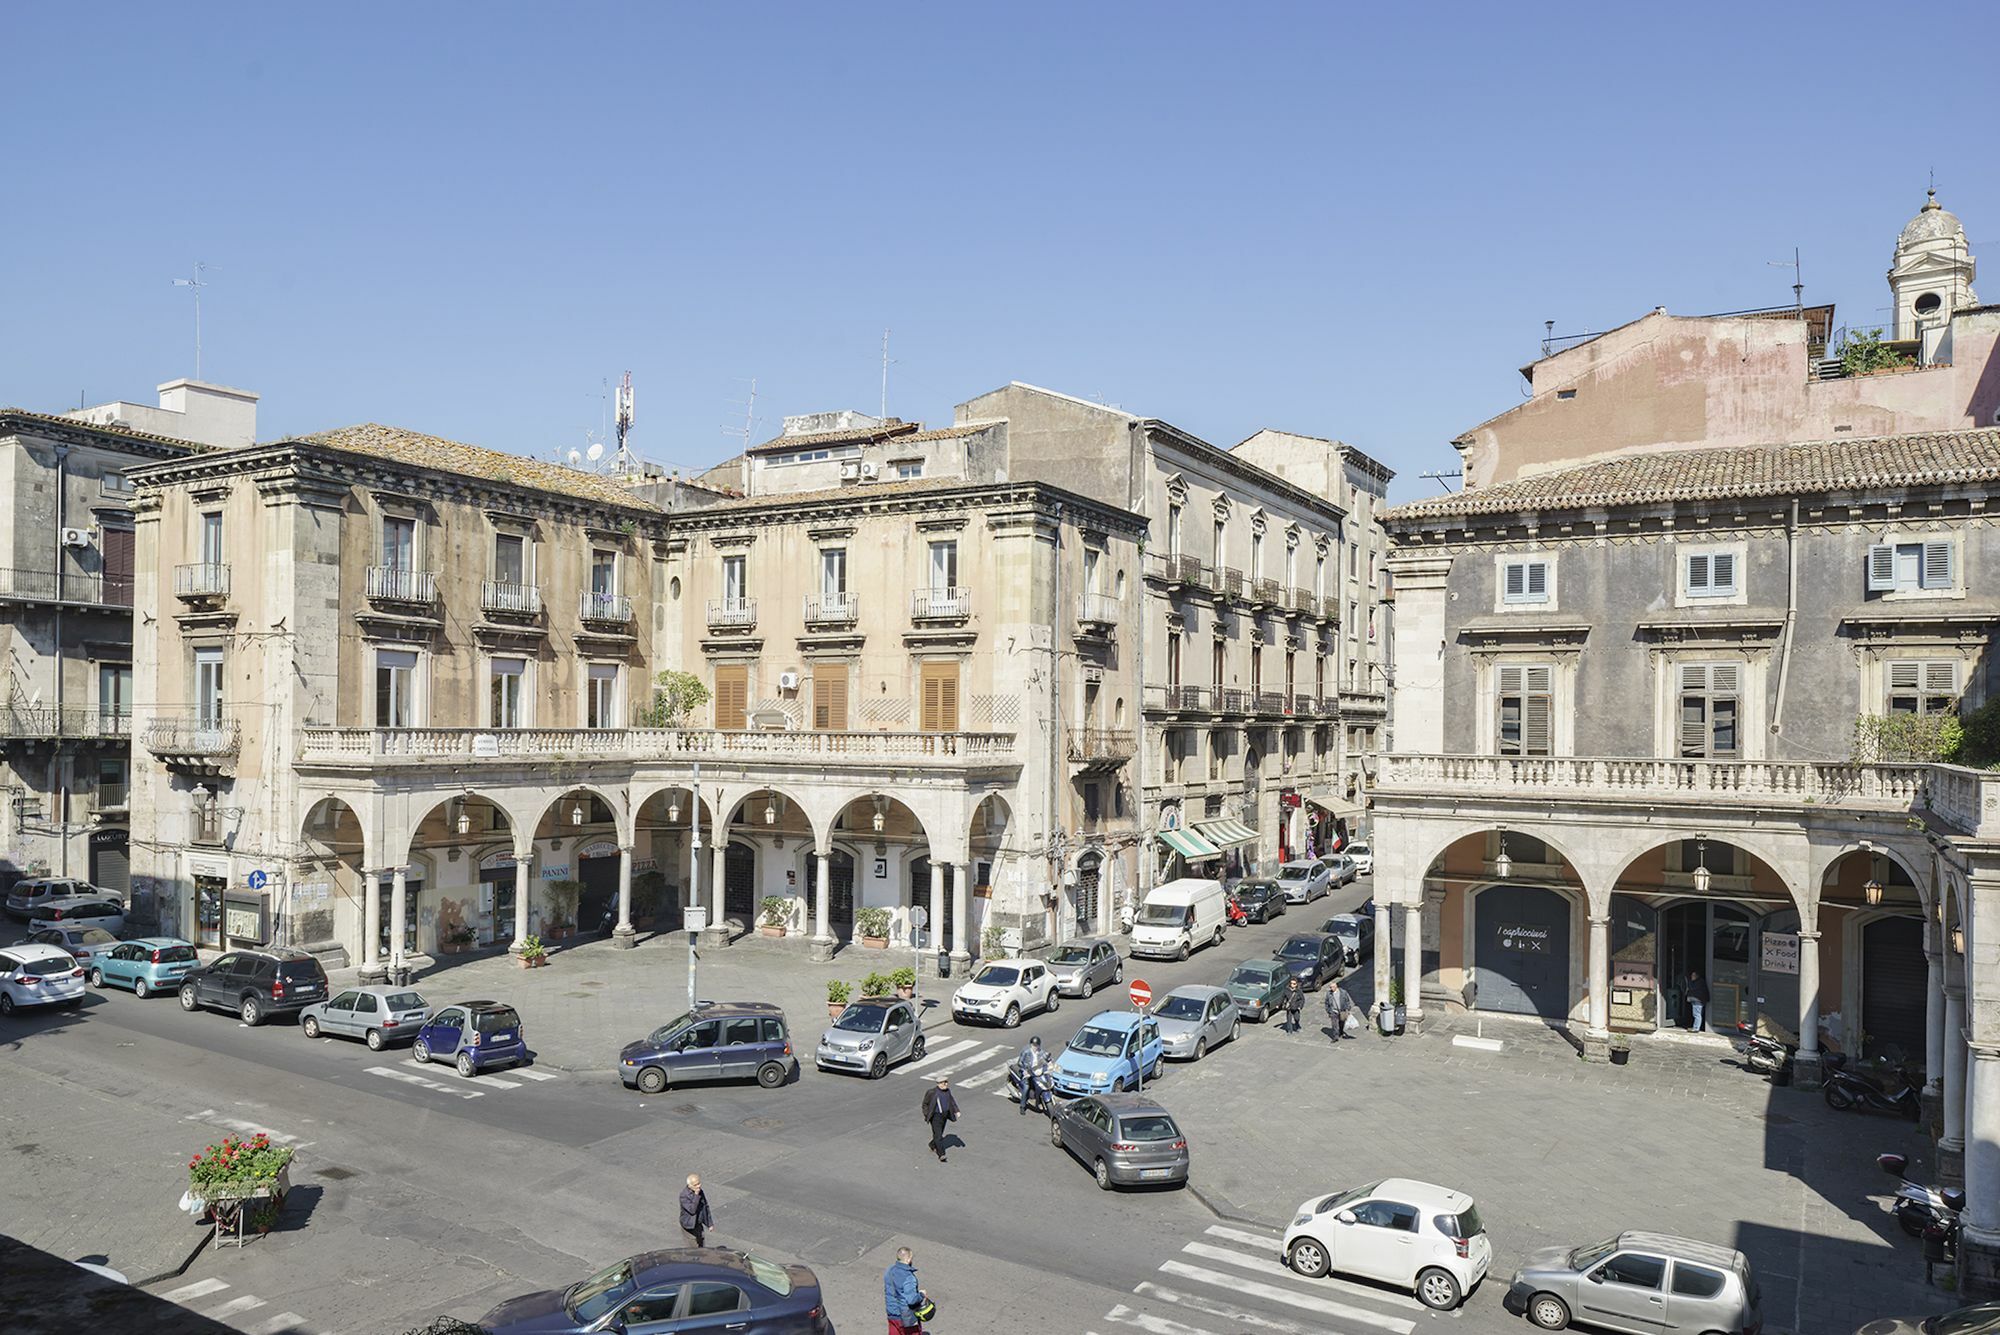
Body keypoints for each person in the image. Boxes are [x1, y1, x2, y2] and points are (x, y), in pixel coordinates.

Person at [884, 1246, 925, 1335]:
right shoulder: (909, 1277)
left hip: (892, 1313)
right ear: (909, 1259)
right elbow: (912, 1300)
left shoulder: (889, 1270)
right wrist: (921, 1295)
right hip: (906, 1317)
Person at [921, 1076, 959, 1161]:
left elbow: (952, 1101)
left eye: (946, 1082)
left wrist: (957, 1110)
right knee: (938, 1136)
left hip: (944, 1116)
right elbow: (925, 1104)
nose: (944, 1084)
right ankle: (941, 1154)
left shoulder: (947, 1091)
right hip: (935, 1116)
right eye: (942, 1082)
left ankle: (932, 1144)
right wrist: (927, 1115)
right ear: (938, 1084)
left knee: (939, 1133)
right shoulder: (932, 1092)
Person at [678, 1173, 713, 1248]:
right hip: (689, 1225)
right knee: (693, 1249)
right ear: (689, 1186)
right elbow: (692, 1210)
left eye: (699, 1183)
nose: (698, 1186)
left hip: (698, 1224)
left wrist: (709, 1223)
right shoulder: (684, 1195)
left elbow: (705, 1207)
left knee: (701, 1244)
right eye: (695, 1185)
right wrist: (696, 1195)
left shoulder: (700, 1192)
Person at [1016, 1035, 1048, 1115]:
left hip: (1037, 1072)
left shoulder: (1041, 1051)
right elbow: (1019, 1062)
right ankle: (1022, 1106)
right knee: (1026, 1087)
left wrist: (1049, 1060)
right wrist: (1025, 1069)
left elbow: (1045, 1057)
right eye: (1033, 1045)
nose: (1035, 1047)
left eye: (1037, 1046)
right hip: (1027, 1072)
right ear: (1031, 1045)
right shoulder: (1026, 1051)